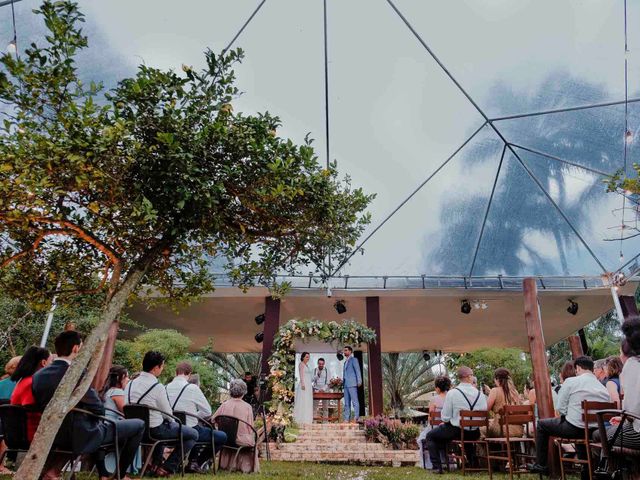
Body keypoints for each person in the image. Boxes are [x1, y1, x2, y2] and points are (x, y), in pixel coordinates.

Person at [32, 331, 144, 480]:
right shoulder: (75, 373)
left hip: (52, 432)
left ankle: (53, 472)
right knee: (139, 425)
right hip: (80, 432)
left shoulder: (38, 375)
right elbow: (97, 406)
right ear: (76, 348)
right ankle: (119, 476)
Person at [528, 356, 611, 478]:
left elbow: (560, 408)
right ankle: (586, 472)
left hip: (575, 429)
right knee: (579, 428)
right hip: (595, 431)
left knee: (542, 424)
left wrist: (570, 414)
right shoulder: (603, 388)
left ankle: (541, 465)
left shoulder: (571, 381)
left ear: (577, 368)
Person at [124, 351, 198, 477]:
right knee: (193, 434)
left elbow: (126, 405)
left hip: (134, 430)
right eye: (162, 366)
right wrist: (173, 423)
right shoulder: (157, 386)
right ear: (156, 368)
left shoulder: (130, 384)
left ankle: (156, 464)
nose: (162, 369)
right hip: (154, 431)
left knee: (165, 428)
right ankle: (166, 468)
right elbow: (168, 415)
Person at [166, 361, 227, 473]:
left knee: (196, 428)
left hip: (171, 430)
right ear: (189, 374)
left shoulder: (166, 387)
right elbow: (207, 411)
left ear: (176, 373)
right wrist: (194, 416)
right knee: (221, 436)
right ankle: (195, 463)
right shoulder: (192, 388)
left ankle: (190, 462)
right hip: (190, 430)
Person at [425, 366, 487, 474]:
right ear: (468, 377)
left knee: (430, 436)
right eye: (472, 375)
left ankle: (437, 467)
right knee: (467, 437)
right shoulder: (480, 395)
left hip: (456, 431)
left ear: (460, 378)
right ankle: (473, 465)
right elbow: (483, 415)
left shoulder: (453, 393)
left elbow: (445, 417)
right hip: (475, 432)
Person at [593, 320, 640, 452]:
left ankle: (612, 470)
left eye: (620, 352)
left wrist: (624, 418)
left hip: (638, 432)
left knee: (598, 434)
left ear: (627, 353)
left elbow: (632, 412)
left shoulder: (632, 365)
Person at [213, 378, 259, 473]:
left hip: (226, 439)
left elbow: (213, 419)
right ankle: (246, 467)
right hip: (240, 440)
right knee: (251, 438)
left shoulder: (224, 405)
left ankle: (226, 465)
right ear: (244, 391)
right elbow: (250, 427)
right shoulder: (247, 407)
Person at [10, 346, 52, 440]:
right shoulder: (31, 382)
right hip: (32, 432)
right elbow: (30, 408)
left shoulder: (23, 381)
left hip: (20, 431)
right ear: (44, 363)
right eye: (51, 362)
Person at [419, 375, 451, 469]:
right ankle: (446, 461)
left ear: (437, 388)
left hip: (435, 429)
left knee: (422, 438)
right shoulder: (451, 398)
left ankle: (430, 464)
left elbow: (430, 418)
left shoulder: (434, 400)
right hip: (449, 428)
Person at [485, 368, 523, 438]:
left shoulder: (494, 391)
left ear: (497, 379)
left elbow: (486, 410)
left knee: (480, 431)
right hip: (519, 429)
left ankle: (484, 449)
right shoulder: (515, 392)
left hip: (501, 429)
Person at [342, 346, 362, 422]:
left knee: (355, 401)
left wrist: (359, 381)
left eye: (346, 350)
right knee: (346, 403)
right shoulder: (345, 362)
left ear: (350, 351)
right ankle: (346, 419)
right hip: (346, 385)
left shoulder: (354, 360)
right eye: (344, 351)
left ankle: (356, 417)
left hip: (352, 384)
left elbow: (357, 371)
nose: (344, 352)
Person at [293, 352, 313, 425]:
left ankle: (306, 419)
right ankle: (300, 419)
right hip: (304, 384)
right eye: (307, 357)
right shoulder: (301, 364)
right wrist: (302, 384)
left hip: (308, 385)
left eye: (309, 357)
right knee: (303, 400)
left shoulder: (306, 365)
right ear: (303, 357)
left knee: (307, 401)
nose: (308, 358)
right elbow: (301, 375)